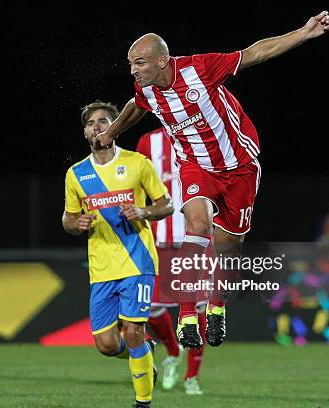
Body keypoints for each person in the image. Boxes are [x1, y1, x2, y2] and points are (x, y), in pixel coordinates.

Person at [96, 11, 329, 349]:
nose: (133, 70)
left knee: (228, 248)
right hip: (195, 166)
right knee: (197, 225)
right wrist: (113, 132)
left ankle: (218, 306)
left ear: (162, 60)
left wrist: (304, 33)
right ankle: (188, 315)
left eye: (139, 63)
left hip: (239, 166)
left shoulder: (199, 69)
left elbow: (254, 53)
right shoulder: (146, 88)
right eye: (131, 63)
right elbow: (137, 104)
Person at [63, 101, 173, 408]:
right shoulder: (76, 174)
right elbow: (68, 219)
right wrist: (76, 223)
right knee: (108, 345)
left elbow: (166, 204)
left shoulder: (137, 163)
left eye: (103, 121)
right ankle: (143, 353)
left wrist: (143, 211)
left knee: (134, 330)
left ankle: (143, 402)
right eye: (91, 123)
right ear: (84, 132)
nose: (96, 126)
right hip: (102, 268)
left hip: (138, 262)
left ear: (116, 126)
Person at [136, 127, 204, 395]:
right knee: (152, 306)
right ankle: (174, 352)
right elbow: (137, 186)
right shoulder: (147, 141)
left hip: (196, 237)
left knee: (198, 308)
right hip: (159, 238)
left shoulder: (201, 133)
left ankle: (191, 377)